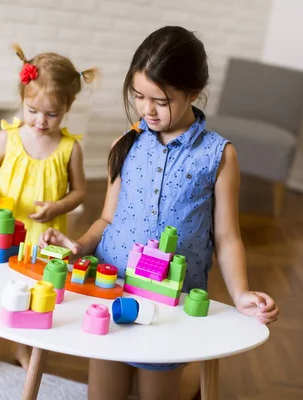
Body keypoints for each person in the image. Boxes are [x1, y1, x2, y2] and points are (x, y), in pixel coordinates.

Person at [39, 26, 279, 400]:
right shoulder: (126, 143)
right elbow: (106, 219)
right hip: (110, 288)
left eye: (161, 100)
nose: (147, 109)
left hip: (172, 301)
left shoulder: (218, 155)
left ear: (194, 93)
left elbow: (227, 236)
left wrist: (241, 291)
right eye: (138, 96)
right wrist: (78, 246)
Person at [0, 43, 97, 379]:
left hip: (40, 234)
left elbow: (79, 191)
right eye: (32, 110)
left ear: (68, 107)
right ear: (23, 99)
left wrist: (58, 206)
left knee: (33, 291)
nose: (41, 121)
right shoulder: (9, 138)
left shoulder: (69, 148)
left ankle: (22, 346)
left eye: (52, 114)